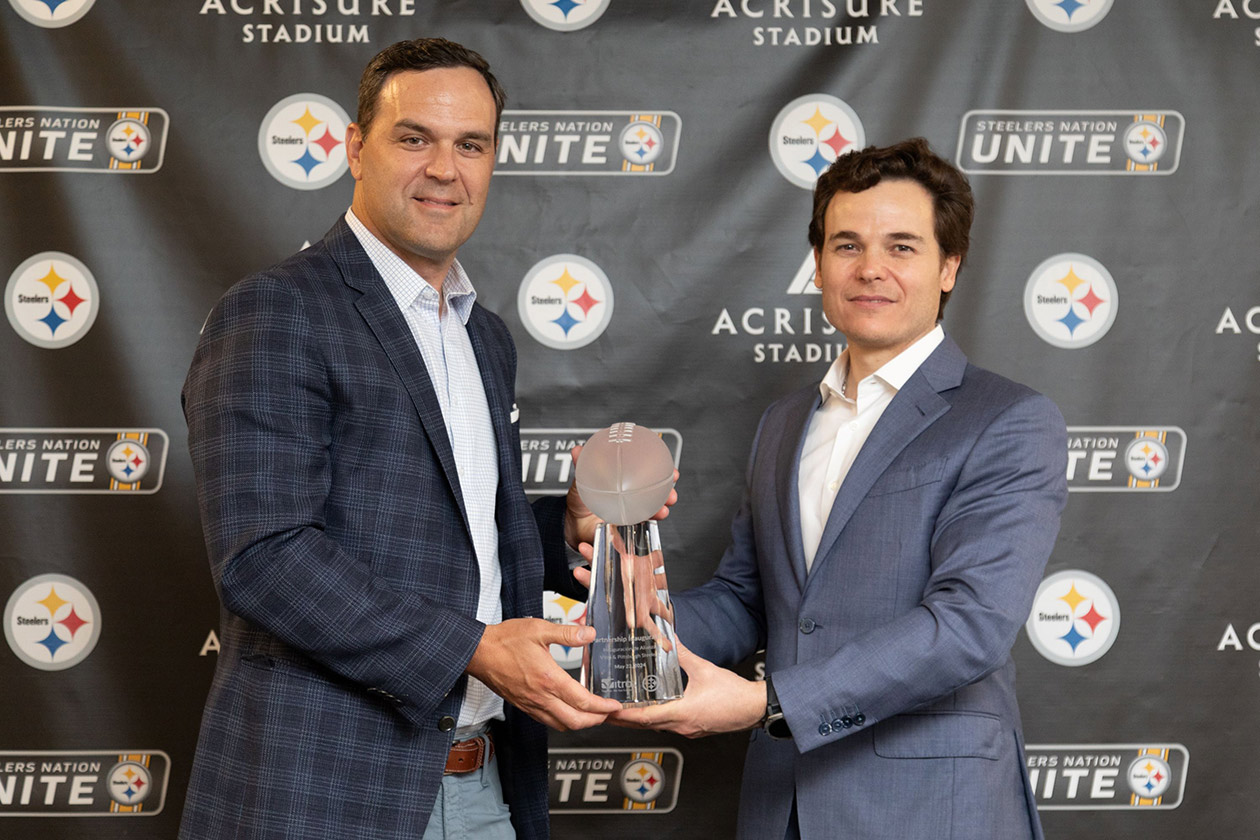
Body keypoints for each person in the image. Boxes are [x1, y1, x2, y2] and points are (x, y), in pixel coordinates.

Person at [179, 38, 648, 840]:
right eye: (414, 138)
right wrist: (473, 649)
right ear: (355, 148)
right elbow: (265, 555)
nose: (445, 168)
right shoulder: (277, 312)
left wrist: (560, 523)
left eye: (470, 144)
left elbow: (446, 539)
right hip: (323, 794)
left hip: (486, 787)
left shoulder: (485, 335)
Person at [612, 138, 1067, 840]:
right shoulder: (784, 422)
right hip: (781, 806)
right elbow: (748, 601)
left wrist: (772, 701)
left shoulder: (1007, 419)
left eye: (902, 247)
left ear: (949, 268)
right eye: (846, 244)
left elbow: (969, 626)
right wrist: (634, 616)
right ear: (819, 264)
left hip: (930, 809)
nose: (870, 269)